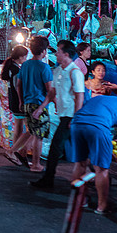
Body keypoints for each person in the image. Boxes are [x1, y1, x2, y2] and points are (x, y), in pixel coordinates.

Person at [69, 92, 117, 215]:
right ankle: (102, 206)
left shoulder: (101, 98)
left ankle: (80, 201)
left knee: (80, 163)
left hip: (76, 124)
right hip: (97, 127)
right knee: (101, 169)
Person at [35, 40, 85, 191]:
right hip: (64, 116)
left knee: (56, 148)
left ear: (66, 54)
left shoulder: (75, 72)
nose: (55, 54)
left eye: (58, 51)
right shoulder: (58, 71)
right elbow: (52, 93)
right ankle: (49, 180)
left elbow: (79, 96)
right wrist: (40, 108)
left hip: (71, 117)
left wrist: (76, 117)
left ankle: (48, 181)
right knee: (64, 149)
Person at [11, 36, 53, 171]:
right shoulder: (45, 68)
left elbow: (19, 85)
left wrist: (21, 102)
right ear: (44, 51)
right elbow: (50, 91)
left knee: (32, 132)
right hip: (39, 105)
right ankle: (36, 164)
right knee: (39, 136)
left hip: (27, 104)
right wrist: (42, 108)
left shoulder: (25, 65)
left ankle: (20, 152)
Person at [0, 45, 29, 166]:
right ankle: (16, 152)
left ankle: (16, 153)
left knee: (18, 128)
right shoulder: (16, 70)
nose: (26, 59)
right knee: (30, 129)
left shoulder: (11, 67)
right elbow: (18, 87)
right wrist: (22, 101)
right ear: (21, 57)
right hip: (18, 102)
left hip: (13, 102)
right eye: (25, 56)